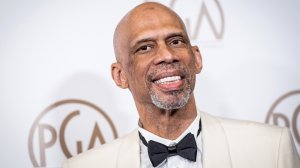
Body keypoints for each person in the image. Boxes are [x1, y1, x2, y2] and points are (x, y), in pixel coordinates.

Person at [63, 2, 300, 168]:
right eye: (145, 47)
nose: (167, 55)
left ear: (196, 58)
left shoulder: (271, 149)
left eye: (175, 41)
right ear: (120, 75)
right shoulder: (84, 166)